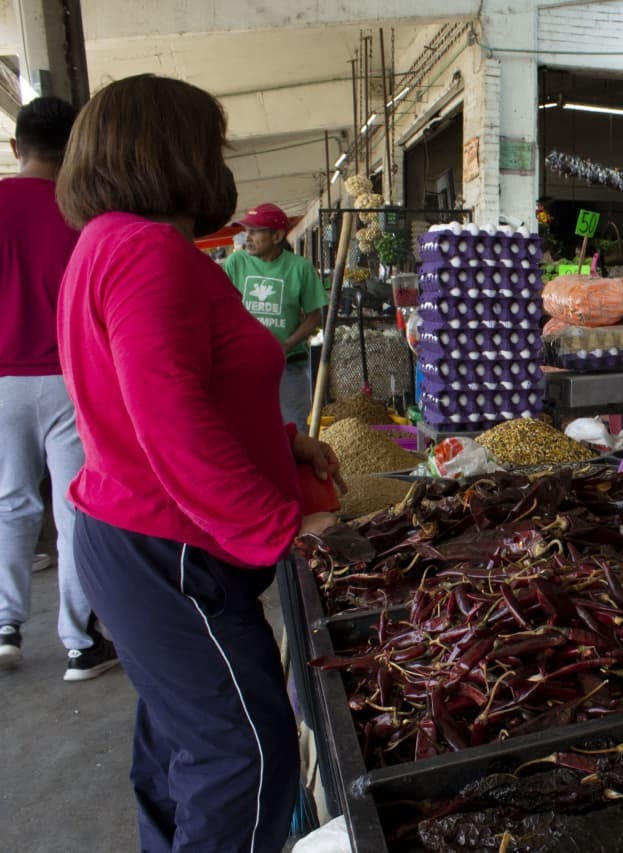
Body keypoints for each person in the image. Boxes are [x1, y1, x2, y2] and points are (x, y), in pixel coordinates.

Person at [55, 74, 343, 853]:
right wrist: (282, 522)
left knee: (184, 742)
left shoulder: (111, 243)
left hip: (137, 536)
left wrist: (281, 444)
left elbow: (158, 395)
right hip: (169, 549)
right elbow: (167, 415)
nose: (220, 164)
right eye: (211, 146)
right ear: (171, 151)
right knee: (244, 754)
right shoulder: (148, 251)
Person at [0, 96, 118, 681]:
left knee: (10, 505)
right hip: (73, 379)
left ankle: (4, 626)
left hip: (1, 385)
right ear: (74, 147)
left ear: (16, 147)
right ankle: (80, 643)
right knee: (75, 509)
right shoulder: (83, 213)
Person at [223, 202, 328, 429]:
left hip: (287, 368)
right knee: (247, 429)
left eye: (254, 231)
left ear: (277, 235)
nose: (247, 237)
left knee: (293, 431)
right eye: (246, 231)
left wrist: (287, 344)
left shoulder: (300, 268)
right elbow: (220, 306)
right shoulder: (236, 262)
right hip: (243, 366)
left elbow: (314, 316)